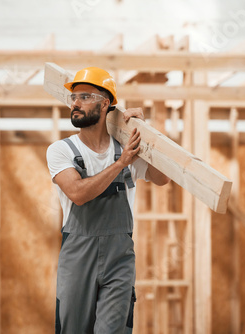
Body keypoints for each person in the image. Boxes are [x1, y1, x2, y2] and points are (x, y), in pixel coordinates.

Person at [46, 66, 169, 334]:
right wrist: (121, 163)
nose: (75, 103)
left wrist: (146, 134)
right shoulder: (61, 151)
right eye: (73, 98)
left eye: (85, 97)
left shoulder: (126, 149)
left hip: (119, 259)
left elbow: (162, 178)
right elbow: (77, 194)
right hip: (78, 256)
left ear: (105, 105)